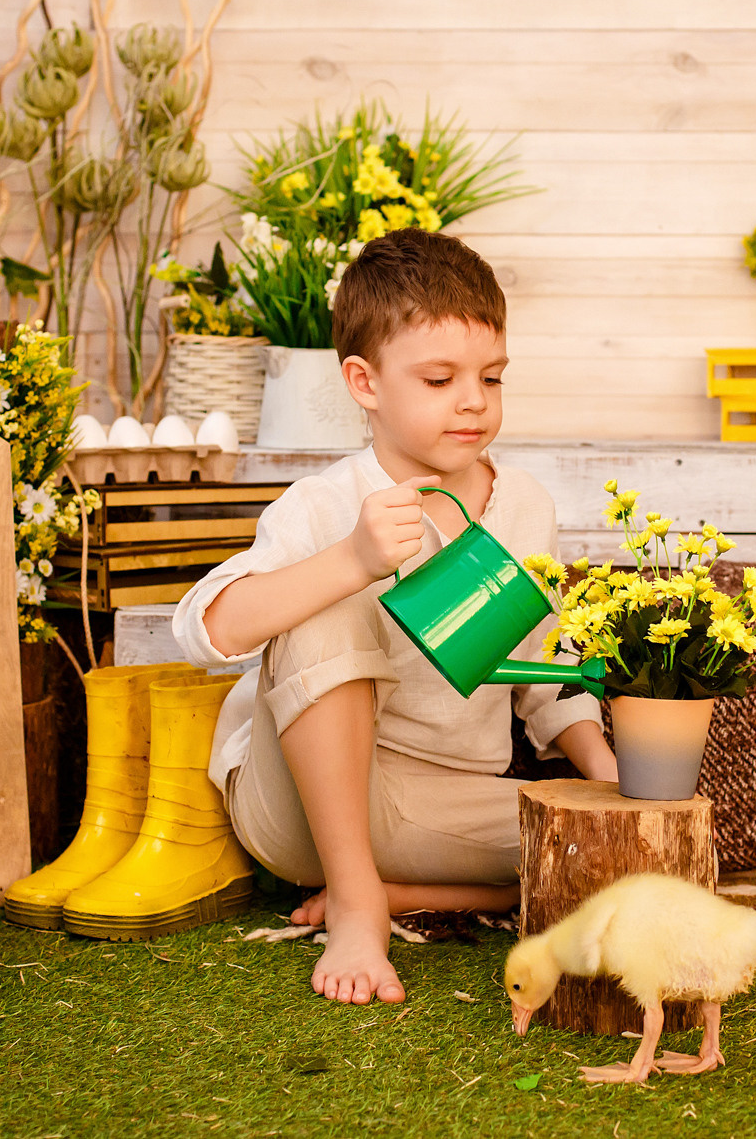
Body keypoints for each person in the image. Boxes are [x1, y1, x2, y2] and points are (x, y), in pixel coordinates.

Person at [175, 228, 617, 1007]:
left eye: (492, 376)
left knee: (615, 852)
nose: (474, 400)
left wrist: (615, 786)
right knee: (328, 606)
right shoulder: (325, 504)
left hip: (437, 806)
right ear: (365, 382)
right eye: (440, 378)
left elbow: (545, 676)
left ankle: (406, 889)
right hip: (302, 810)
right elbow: (207, 629)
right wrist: (350, 559)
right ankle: (355, 900)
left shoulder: (526, 508)